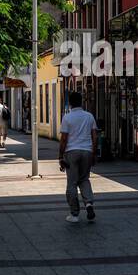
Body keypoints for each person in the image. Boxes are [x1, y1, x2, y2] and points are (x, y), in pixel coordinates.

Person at [58, 90, 97, 223]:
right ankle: (89, 204)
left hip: (71, 152)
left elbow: (63, 139)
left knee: (72, 183)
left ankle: (74, 214)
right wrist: (93, 153)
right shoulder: (89, 116)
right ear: (81, 102)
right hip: (87, 151)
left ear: (70, 103)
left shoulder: (67, 118)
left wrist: (60, 156)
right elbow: (94, 137)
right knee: (84, 179)